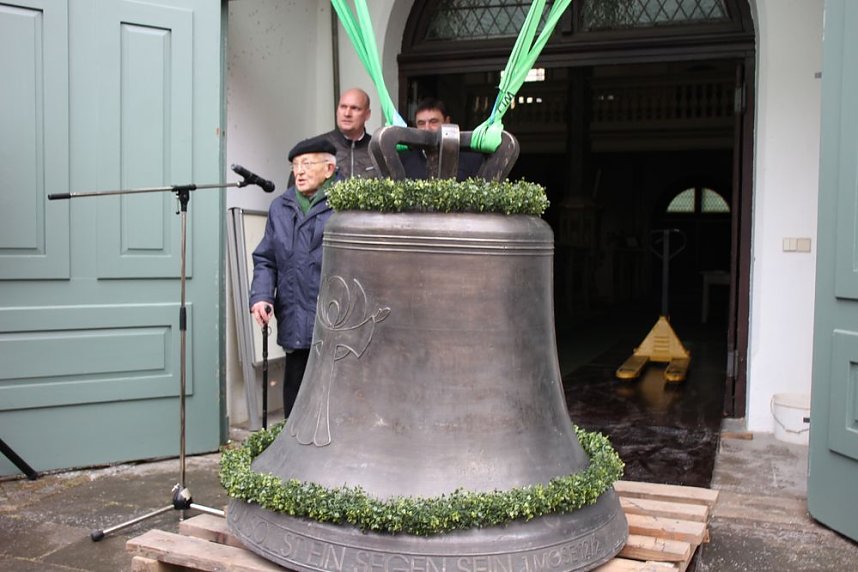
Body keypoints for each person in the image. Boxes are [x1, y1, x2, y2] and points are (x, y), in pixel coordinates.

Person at [249, 136, 338, 418]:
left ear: (329, 169)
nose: (298, 171)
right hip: (295, 313)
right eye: (295, 165)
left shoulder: (347, 204)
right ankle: (291, 453)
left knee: (333, 392)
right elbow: (266, 258)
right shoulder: (280, 207)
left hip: (334, 317)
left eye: (307, 164)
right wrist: (262, 296)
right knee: (295, 388)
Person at [400, 98, 484, 181]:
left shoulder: (472, 160)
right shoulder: (404, 161)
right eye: (421, 123)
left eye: (433, 121)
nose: (427, 128)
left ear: (447, 122)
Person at [320, 88, 376, 179]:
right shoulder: (317, 147)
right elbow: (293, 191)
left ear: (367, 114)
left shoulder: (378, 150)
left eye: (355, 108)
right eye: (343, 107)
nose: (347, 113)